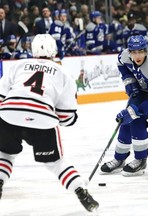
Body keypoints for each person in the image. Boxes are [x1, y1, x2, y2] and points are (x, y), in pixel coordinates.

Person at [0, 34, 99, 212]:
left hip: (8, 115)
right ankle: (81, 191)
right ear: (54, 50)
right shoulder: (63, 73)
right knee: (56, 163)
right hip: (42, 120)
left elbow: (1, 97)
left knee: (5, 154)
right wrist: (69, 119)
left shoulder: (17, 65)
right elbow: (66, 116)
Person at [100, 35, 148, 176]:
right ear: (129, 51)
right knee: (125, 123)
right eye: (134, 52)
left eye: (140, 52)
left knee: (137, 122)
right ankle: (119, 160)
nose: (137, 55)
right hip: (144, 90)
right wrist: (132, 85)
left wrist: (134, 111)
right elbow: (122, 67)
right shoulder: (124, 56)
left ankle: (140, 160)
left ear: (146, 51)